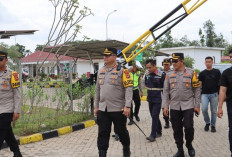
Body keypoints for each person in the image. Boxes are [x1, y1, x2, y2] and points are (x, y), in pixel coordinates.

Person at [94, 47, 133, 157]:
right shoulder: (101, 70)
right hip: (103, 108)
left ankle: (126, 149)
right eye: (104, 55)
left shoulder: (123, 70)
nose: (105, 57)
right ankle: (102, 154)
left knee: (122, 132)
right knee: (102, 133)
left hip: (118, 108)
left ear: (115, 57)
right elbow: (97, 89)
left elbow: (129, 88)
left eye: (107, 55)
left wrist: (127, 106)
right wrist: (96, 106)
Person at [162, 53, 201, 157]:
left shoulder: (191, 73)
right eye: (172, 61)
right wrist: (165, 106)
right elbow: (165, 91)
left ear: (182, 61)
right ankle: (180, 149)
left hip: (188, 104)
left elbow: (197, 90)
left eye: (175, 61)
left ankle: (189, 144)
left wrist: (197, 105)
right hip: (174, 105)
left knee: (188, 126)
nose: (173, 63)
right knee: (176, 129)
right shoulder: (169, 74)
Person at [0, 51, 22, 157]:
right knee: (8, 133)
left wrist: (16, 111)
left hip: (7, 109)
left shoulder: (12, 74)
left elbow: (17, 94)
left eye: (1, 59)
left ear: (6, 60)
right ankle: (17, 154)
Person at [199, 56, 221, 132]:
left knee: (214, 111)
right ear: (205, 63)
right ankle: (207, 122)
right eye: (206, 62)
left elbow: (220, 83)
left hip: (214, 94)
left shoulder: (217, 72)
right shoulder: (202, 73)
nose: (208, 63)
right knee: (204, 109)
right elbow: (200, 84)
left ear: (212, 62)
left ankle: (213, 125)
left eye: (209, 62)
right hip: (204, 94)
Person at [145, 59, 165, 142]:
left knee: (154, 115)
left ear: (154, 66)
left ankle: (152, 135)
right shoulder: (147, 74)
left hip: (158, 98)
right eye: (147, 67)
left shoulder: (161, 74)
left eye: (150, 67)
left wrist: (167, 100)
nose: (148, 69)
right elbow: (146, 84)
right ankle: (159, 130)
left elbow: (165, 88)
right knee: (153, 115)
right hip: (150, 98)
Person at [217, 49, 232, 157]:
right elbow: (222, 90)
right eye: (230, 57)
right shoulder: (226, 73)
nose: (231, 59)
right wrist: (220, 107)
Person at [128, 61, 143, 125]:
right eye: (136, 69)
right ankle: (131, 119)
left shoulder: (138, 73)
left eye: (138, 70)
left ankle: (136, 114)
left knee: (138, 104)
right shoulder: (127, 72)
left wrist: (141, 91)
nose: (137, 71)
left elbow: (140, 82)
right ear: (133, 66)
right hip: (128, 91)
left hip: (135, 90)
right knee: (129, 105)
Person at [162, 58, 172, 129]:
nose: (166, 66)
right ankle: (166, 121)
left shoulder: (173, 72)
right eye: (164, 65)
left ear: (170, 65)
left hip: (172, 92)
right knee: (165, 108)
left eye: (167, 65)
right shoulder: (160, 73)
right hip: (164, 93)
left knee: (174, 108)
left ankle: (173, 118)